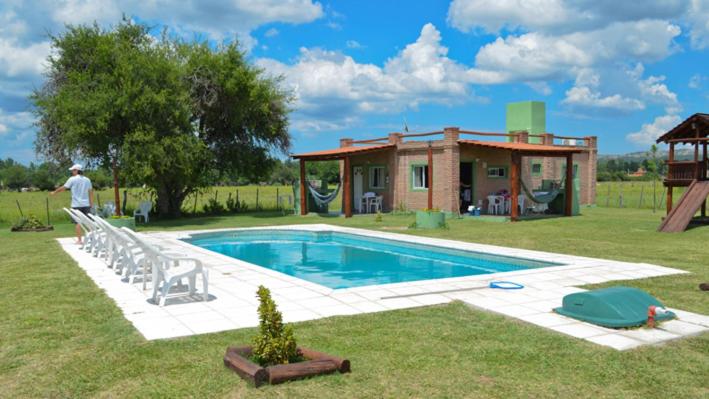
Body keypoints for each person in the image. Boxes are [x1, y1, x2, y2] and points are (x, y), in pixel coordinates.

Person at [51, 164, 94, 244]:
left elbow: (64, 187)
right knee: (88, 222)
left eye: (73, 170)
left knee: (77, 222)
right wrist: (91, 203)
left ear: (77, 170)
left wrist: (55, 192)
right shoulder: (87, 180)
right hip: (86, 204)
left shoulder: (72, 179)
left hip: (76, 205)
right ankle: (92, 239)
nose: (72, 171)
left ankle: (79, 240)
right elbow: (90, 192)